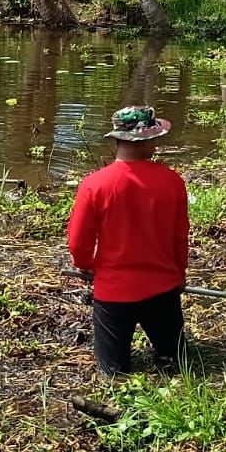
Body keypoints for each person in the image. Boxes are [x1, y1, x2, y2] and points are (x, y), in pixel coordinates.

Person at [66, 106, 189, 375]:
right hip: (162, 290)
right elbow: (179, 237)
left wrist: (87, 265)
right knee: (177, 360)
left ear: (118, 139)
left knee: (113, 373)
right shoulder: (172, 181)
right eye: (154, 138)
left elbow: (78, 243)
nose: (156, 143)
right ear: (145, 140)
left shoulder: (94, 184)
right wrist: (179, 274)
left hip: (114, 294)